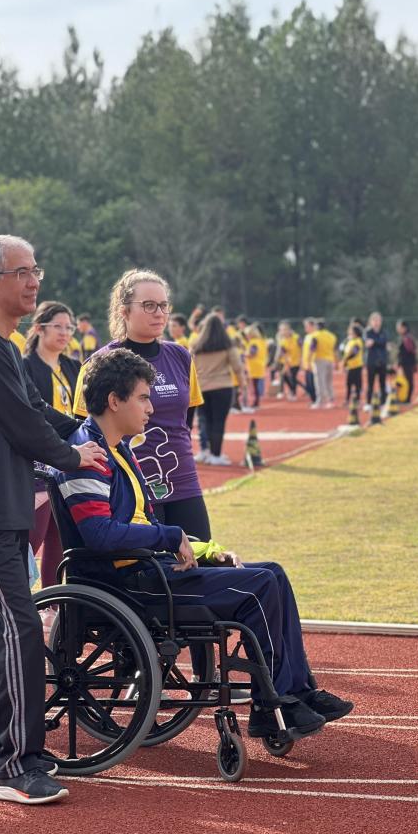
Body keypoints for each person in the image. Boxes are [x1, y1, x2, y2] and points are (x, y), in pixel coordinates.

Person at [53, 347, 354, 738]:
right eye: (143, 397)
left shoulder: (118, 449)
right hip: (130, 583)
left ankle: (296, 691)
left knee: (273, 573)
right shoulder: (89, 455)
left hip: (147, 568)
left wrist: (208, 551)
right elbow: (99, 534)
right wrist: (169, 535)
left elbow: (143, 524)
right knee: (260, 587)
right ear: (114, 401)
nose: (151, 408)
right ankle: (274, 703)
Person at [0, 233, 107, 805]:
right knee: (19, 627)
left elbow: (35, 411)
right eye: (21, 272)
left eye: (36, 269)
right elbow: (22, 423)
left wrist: (82, 427)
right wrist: (73, 454)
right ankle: (18, 764)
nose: (34, 280)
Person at [73, 268, 210, 541]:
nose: (159, 312)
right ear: (124, 311)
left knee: (202, 560)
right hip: (131, 486)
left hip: (183, 480)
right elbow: (84, 429)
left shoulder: (181, 356)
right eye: (148, 305)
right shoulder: (100, 364)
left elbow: (186, 420)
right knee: (152, 572)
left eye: (163, 305)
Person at [22, 301, 81, 587]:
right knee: (34, 537)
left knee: (60, 538)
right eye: (57, 326)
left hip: (70, 459)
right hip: (39, 462)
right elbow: (32, 412)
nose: (64, 332)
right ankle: (15, 600)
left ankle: (51, 604)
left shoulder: (73, 367)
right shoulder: (25, 366)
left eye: (69, 327)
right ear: (38, 328)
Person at [190, 312, 245, 466]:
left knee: (203, 420)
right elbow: (237, 367)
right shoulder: (227, 344)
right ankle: (216, 454)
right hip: (222, 387)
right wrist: (242, 385)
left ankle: (204, 451)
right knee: (218, 422)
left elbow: (190, 367)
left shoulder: (196, 345)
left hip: (202, 387)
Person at [310, 319, 338, 409]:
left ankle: (320, 400)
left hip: (319, 359)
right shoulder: (331, 336)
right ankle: (331, 399)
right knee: (328, 381)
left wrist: (308, 360)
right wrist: (337, 361)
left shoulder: (315, 336)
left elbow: (312, 348)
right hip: (330, 359)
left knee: (320, 381)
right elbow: (335, 349)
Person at [364, 311, 388, 411]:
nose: (377, 322)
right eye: (374, 320)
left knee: (383, 384)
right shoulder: (367, 332)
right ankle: (368, 403)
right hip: (371, 361)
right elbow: (367, 343)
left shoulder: (384, 332)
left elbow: (384, 342)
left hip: (382, 360)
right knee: (370, 383)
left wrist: (374, 342)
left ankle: (383, 403)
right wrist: (376, 342)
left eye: (378, 320)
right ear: (371, 321)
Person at [275, 320, 301, 401]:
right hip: (285, 362)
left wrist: (302, 359)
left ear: (289, 329)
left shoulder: (297, 337)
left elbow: (302, 347)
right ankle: (291, 390)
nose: (283, 332)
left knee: (293, 377)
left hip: (296, 361)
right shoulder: (282, 340)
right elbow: (282, 352)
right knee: (284, 376)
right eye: (281, 330)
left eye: (285, 329)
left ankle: (293, 393)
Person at [245, 323, 269, 409]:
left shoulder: (253, 342)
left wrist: (244, 354)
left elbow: (252, 353)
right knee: (256, 385)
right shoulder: (262, 341)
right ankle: (256, 401)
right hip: (260, 364)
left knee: (254, 386)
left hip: (254, 366)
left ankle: (256, 402)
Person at [342, 323, 364, 405]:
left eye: (351, 331)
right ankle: (347, 399)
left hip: (356, 365)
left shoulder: (358, 341)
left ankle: (357, 400)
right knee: (349, 383)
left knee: (357, 383)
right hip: (350, 366)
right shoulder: (350, 341)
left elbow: (354, 352)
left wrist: (345, 360)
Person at [396, 320, 418, 403]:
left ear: (404, 328)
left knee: (408, 381)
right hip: (406, 363)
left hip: (407, 363)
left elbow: (411, 351)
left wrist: (401, 363)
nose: (398, 329)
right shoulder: (404, 337)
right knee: (406, 381)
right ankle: (404, 398)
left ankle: (407, 399)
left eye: (399, 327)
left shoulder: (407, 338)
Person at [301, 318, 317, 405]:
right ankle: (313, 400)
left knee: (313, 383)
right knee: (308, 383)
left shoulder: (315, 336)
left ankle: (316, 400)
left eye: (306, 326)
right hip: (306, 363)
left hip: (312, 363)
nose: (305, 328)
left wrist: (310, 362)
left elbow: (313, 349)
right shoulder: (307, 337)